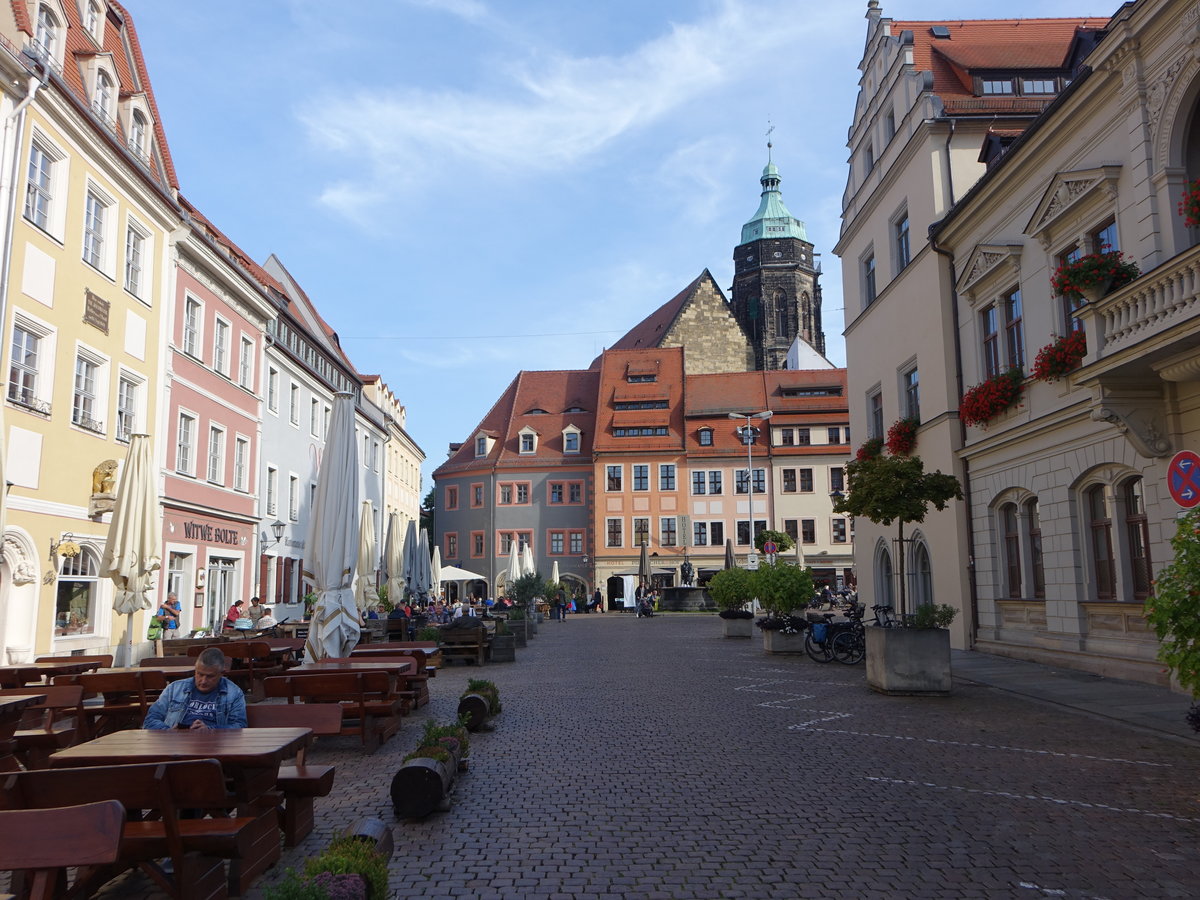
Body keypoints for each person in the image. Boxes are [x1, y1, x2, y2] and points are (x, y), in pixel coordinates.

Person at [143, 647, 247, 730]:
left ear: (221, 673)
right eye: (199, 674)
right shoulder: (174, 688)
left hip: (213, 746)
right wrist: (168, 732)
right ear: (195, 669)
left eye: (210, 676)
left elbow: (239, 726)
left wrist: (210, 730)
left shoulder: (234, 693)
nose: (203, 681)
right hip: (175, 744)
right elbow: (150, 720)